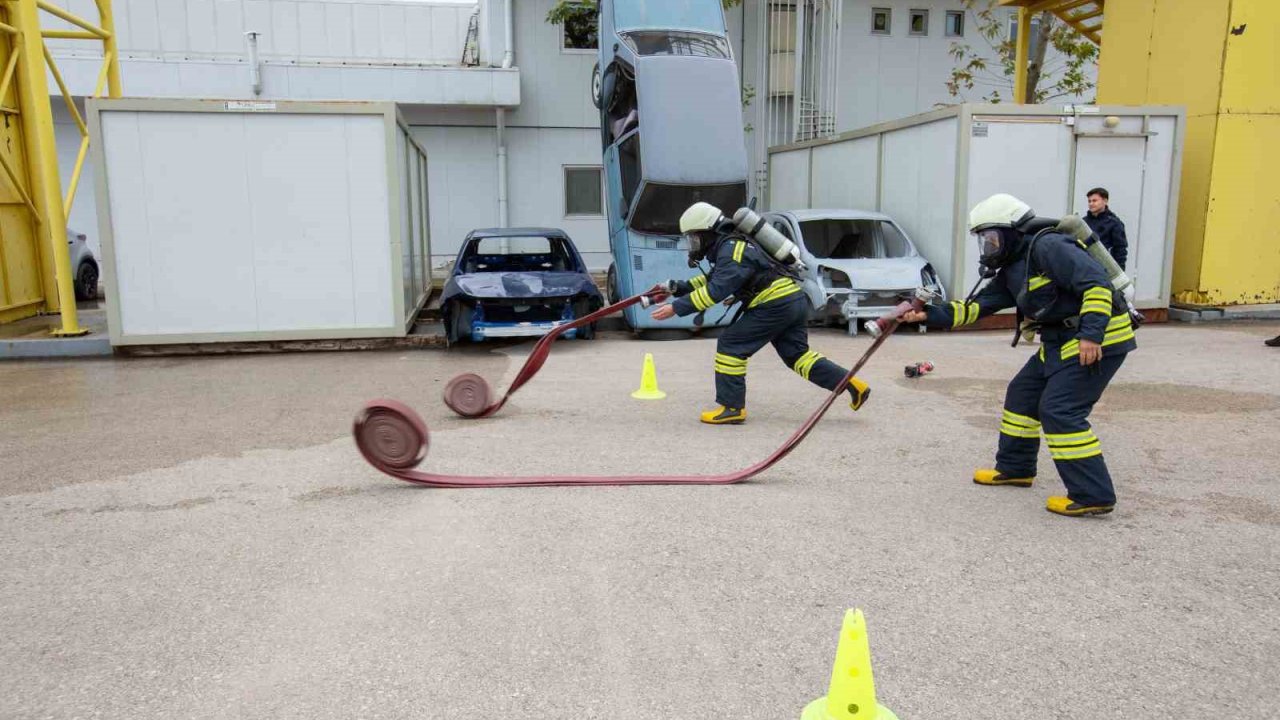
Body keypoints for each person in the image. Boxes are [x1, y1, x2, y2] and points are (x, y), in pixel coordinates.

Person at [903, 194, 1136, 518]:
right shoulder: (1014, 266)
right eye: (983, 239)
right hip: (1060, 340)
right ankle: (1015, 469)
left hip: (1098, 339)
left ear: (1012, 231)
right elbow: (976, 308)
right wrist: (928, 315)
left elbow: (1096, 285)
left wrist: (1091, 336)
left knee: (1060, 410)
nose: (988, 245)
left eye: (991, 237)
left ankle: (1092, 494)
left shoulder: (1049, 247)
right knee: (1023, 395)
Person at [649, 202, 871, 424]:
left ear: (707, 233)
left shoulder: (731, 250)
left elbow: (716, 290)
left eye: (694, 238)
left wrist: (675, 309)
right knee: (797, 356)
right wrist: (675, 288)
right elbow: (713, 280)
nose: (693, 244)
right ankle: (852, 384)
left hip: (775, 304)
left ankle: (732, 408)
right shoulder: (731, 247)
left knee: (731, 345)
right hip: (791, 301)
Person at [1083, 187, 1128, 270]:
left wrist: (1119, 274)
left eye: (1094, 201)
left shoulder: (1114, 224)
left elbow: (1120, 251)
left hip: (1102, 270)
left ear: (1105, 201)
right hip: (1083, 267)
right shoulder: (1083, 222)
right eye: (1089, 201)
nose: (1091, 204)